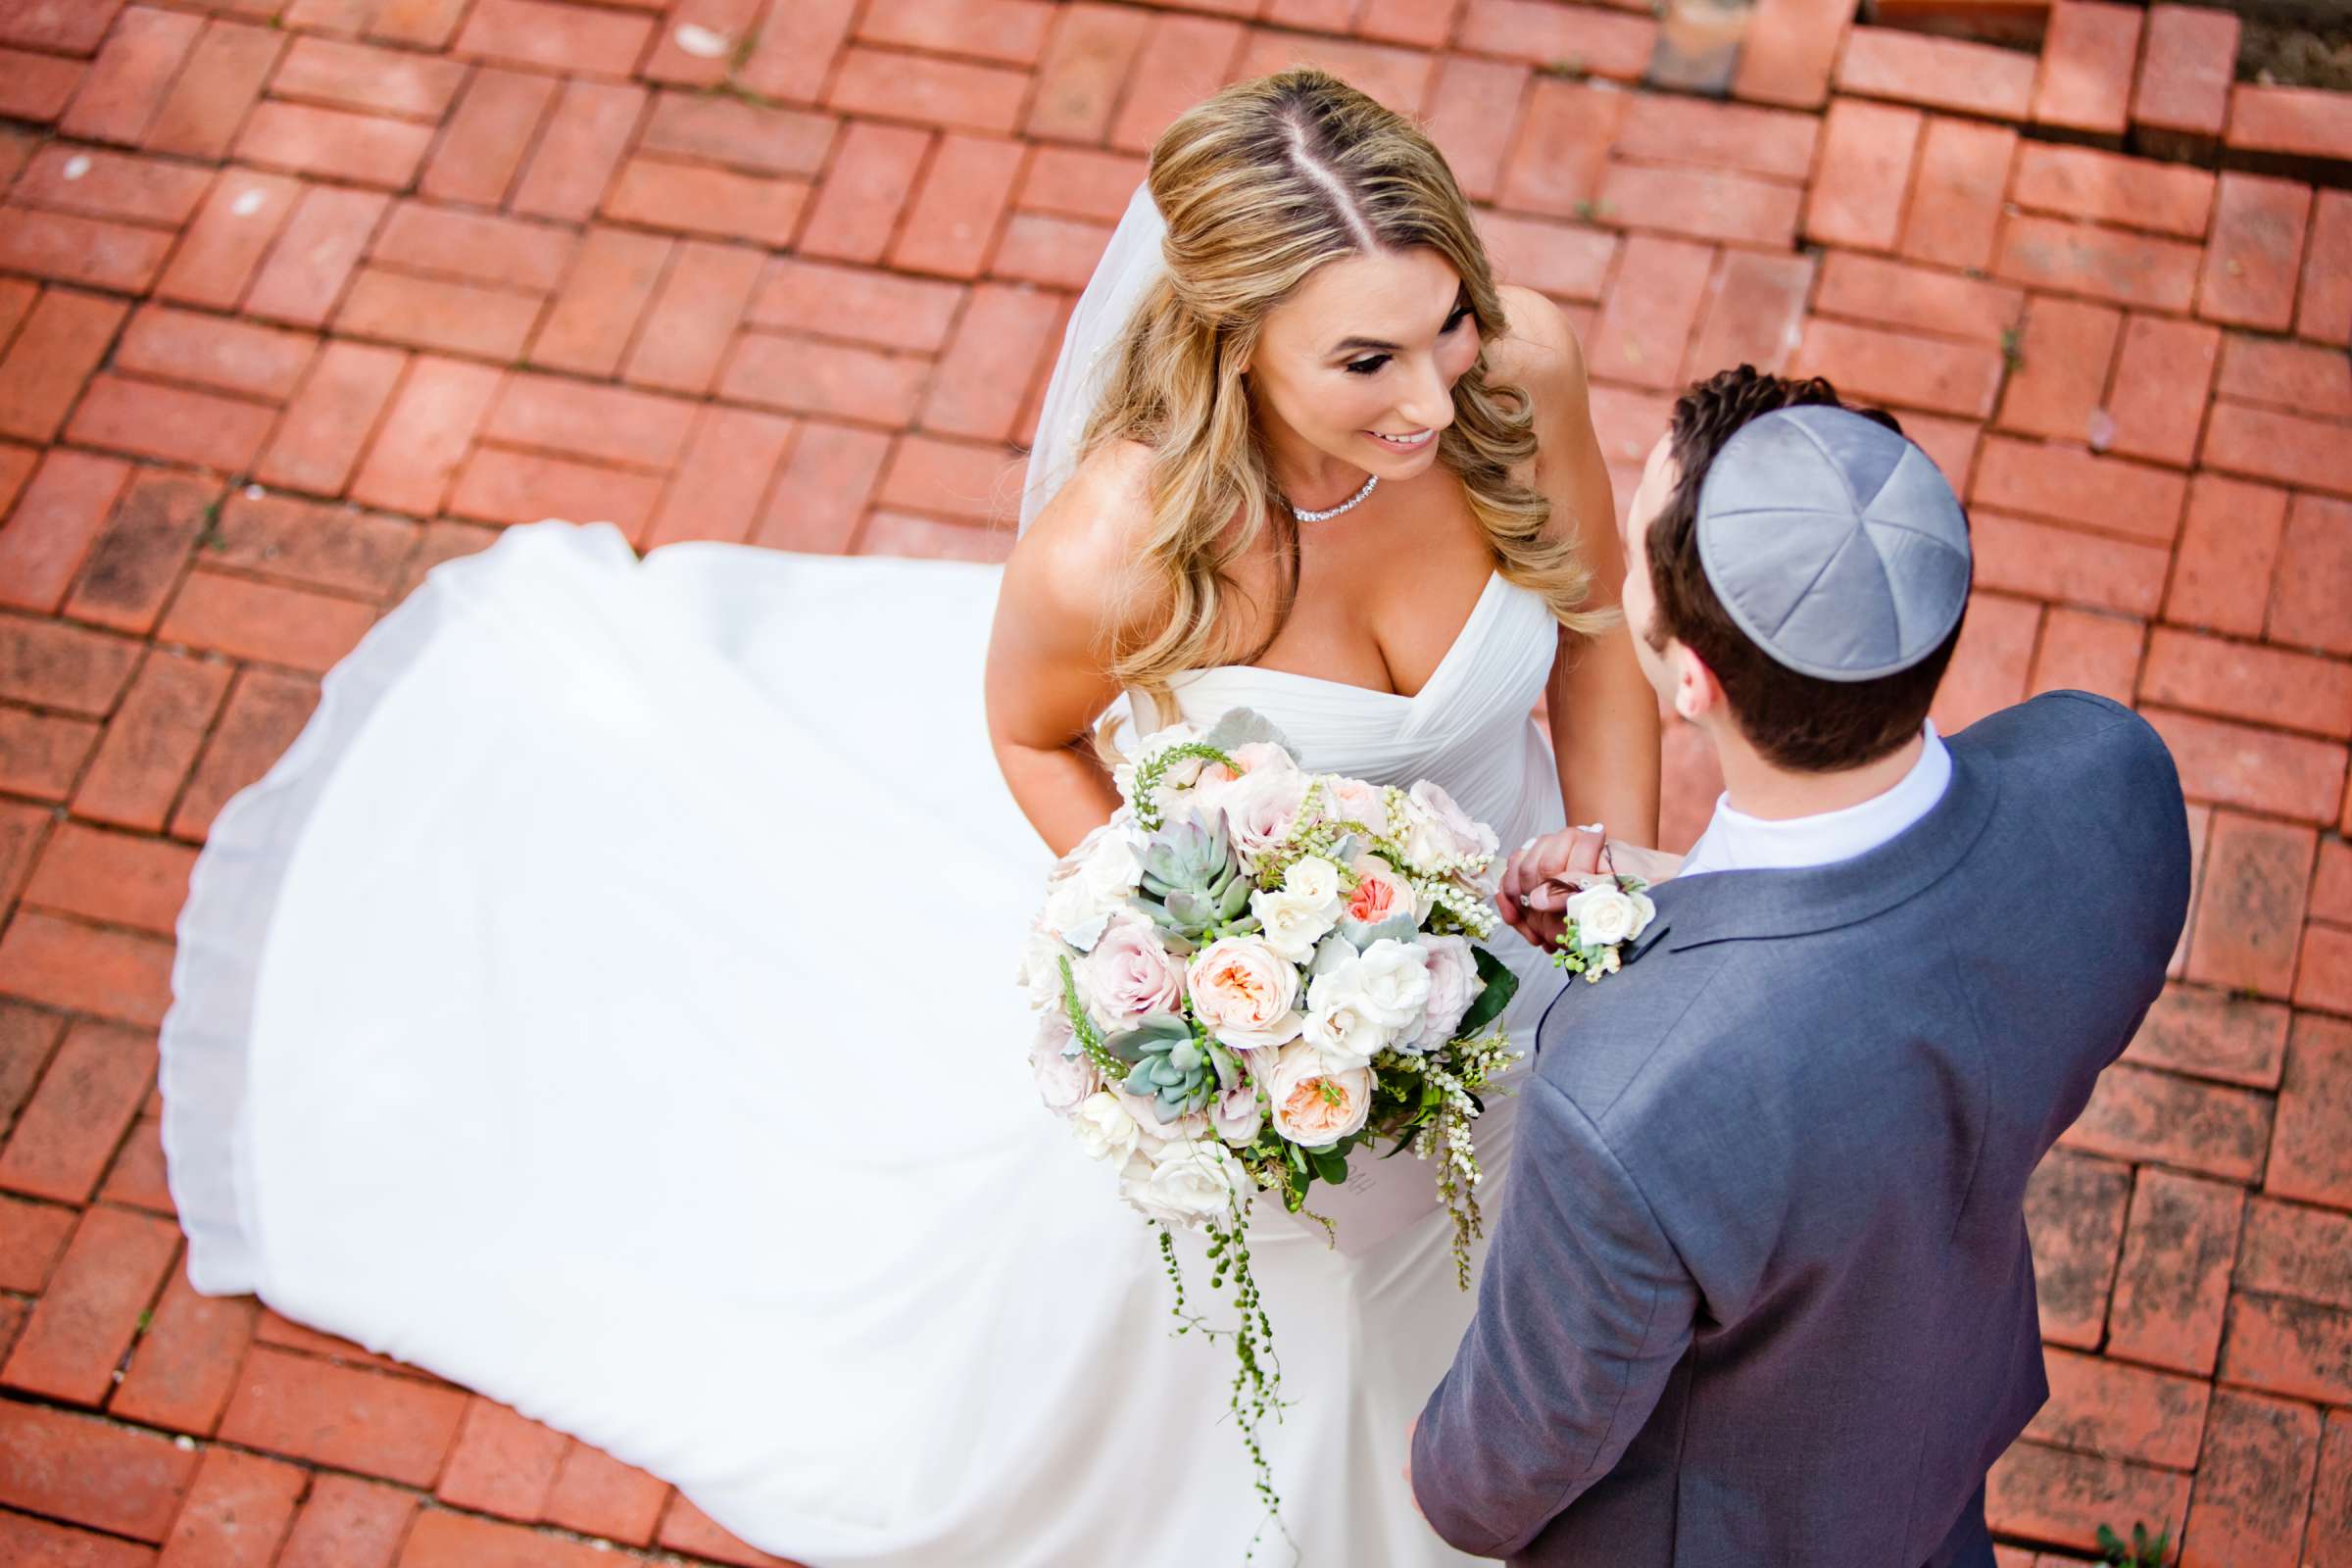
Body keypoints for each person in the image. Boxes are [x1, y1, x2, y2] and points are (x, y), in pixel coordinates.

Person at [159, 70, 1658, 1565]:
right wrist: (1189, 952)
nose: (1435, 395)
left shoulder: (1520, 374)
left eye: (1449, 319)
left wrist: (1608, 893)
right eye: (1366, 360)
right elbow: (1031, 730)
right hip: (1281, 1033)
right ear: (1237, 343)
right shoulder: (1119, 546)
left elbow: (1592, 640)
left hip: (1524, 952)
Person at [1406, 368, 2190, 1567]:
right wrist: (1667, 915)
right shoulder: (2108, 777)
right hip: (1932, 1447)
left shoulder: (1622, 1099)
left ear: (1691, 681)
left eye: (1634, 566)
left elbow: (1491, 1477)